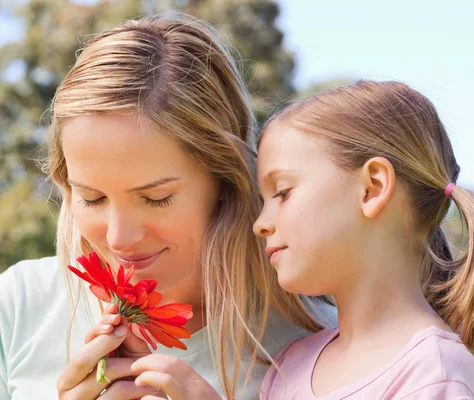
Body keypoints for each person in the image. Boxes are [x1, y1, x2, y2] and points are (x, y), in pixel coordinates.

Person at [0, 14, 335, 400]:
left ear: (225, 182)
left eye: (156, 198)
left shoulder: (324, 349)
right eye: (92, 198)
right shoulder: (20, 305)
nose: (118, 238)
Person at [254, 80, 474, 399]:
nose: (260, 224)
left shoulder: (433, 376)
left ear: (372, 187)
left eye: (282, 193)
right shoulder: (287, 368)